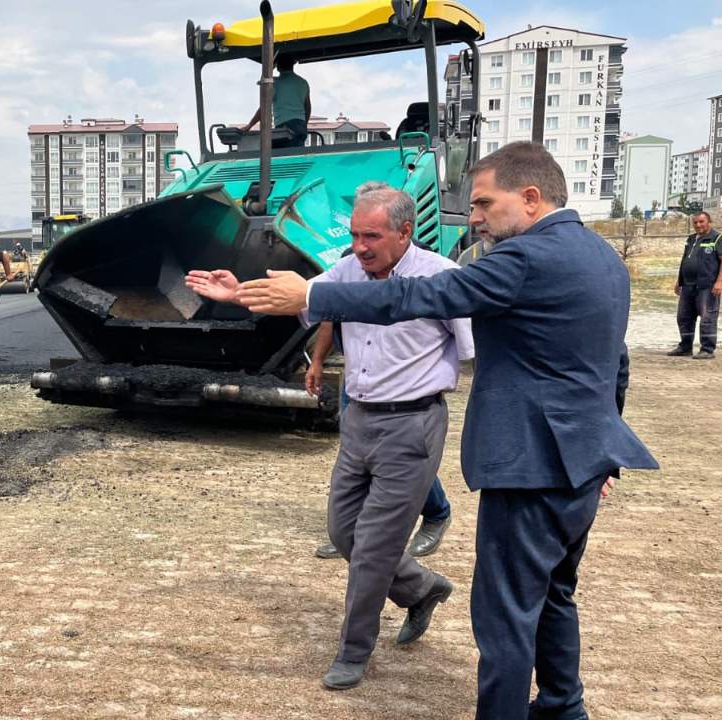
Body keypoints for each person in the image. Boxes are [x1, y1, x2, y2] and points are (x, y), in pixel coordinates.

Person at [188, 141, 659, 719]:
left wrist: (312, 292)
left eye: (484, 202)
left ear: (530, 198)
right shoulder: (603, 257)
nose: (477, 216)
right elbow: (615, 362)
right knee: (554, 595)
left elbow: (421, 295)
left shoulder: (524, 259)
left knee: (505, 613)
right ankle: (563, 707)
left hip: (531, 465)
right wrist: (601, 447)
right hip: (577, 465)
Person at [211, 183, 472, 690]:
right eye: (354, 235)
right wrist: (238, 293)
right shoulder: (349, 270)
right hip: (358, 419)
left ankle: (354, 651)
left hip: (412, 424)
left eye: (370, 236)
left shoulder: (442, 279)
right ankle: (422, 587)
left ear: (405, 231)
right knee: (342, 531)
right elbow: (304, 302)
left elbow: (473, 353)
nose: (359, 246)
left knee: (372, 547)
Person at [308, 319, 456, 561]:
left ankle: (437, 514)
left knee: (405, 456)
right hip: (358, 375)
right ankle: (352, 533)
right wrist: (316, 361)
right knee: (357, 456)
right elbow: (329, 317)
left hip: (398, 378)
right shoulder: (344, 281)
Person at [669, 211, 719, 359]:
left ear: (709, 222)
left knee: (707, 318)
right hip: (688, 285)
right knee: (684, 317)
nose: (698, 225)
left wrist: (719, 282)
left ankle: (707, 349)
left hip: (707, 286)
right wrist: (680, 280)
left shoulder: (717, 238)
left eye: (701, 222)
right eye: (695, 222)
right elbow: (685, 260)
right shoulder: (691, 239)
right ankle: (685, 346)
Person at [242, 54, 311, 148]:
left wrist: (250, 125)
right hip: (301, 125)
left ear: (278, 67)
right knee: (297, 155)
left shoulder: (275, 83)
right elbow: (307, 107)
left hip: (285, 126)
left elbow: (265, 107)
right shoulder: (303, 82)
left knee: (275, 154)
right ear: (292, 65)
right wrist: (304, 124)